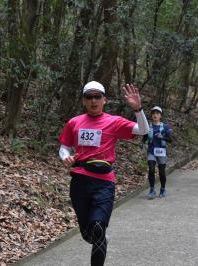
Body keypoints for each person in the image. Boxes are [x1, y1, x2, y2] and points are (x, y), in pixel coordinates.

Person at [58, 81, 149, 266]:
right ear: (84, 100)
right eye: (89, 97)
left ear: (104, 100)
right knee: (88, 234)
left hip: (103, 182)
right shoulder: (74, 122)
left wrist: (138, 109)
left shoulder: (113, 121)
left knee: (98, 228)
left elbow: (143, 130)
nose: (93, 100)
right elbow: (64, 147)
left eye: (97, 96)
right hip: (79, 181)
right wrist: (65, 157)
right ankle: (99, 238)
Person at [142, 106, 172, 199]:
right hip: (151, 151)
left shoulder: (165, 127)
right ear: (151, 115)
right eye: (153, 113)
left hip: (161, 152)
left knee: (161, 172)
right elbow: (145, 137)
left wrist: (162, 137)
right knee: (151, 169)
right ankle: (152, 189)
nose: (155, 115)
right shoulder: (148, 126)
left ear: (160, 116)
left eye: (157, 113)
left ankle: (162, 189)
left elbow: (170, 139)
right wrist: (142, 143)